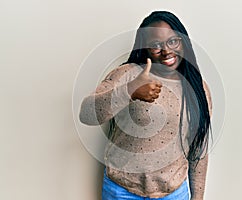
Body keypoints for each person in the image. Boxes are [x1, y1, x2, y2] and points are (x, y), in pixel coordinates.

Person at [79, 11, 212, 200]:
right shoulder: (127, 74)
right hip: (121, 192)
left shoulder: (198, 88)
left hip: (174, 194)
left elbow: (199, 150)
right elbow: (86, 114)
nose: (166, 51)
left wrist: (197, 197)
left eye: (173, 41)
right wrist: (130, 90)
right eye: (156, 45)